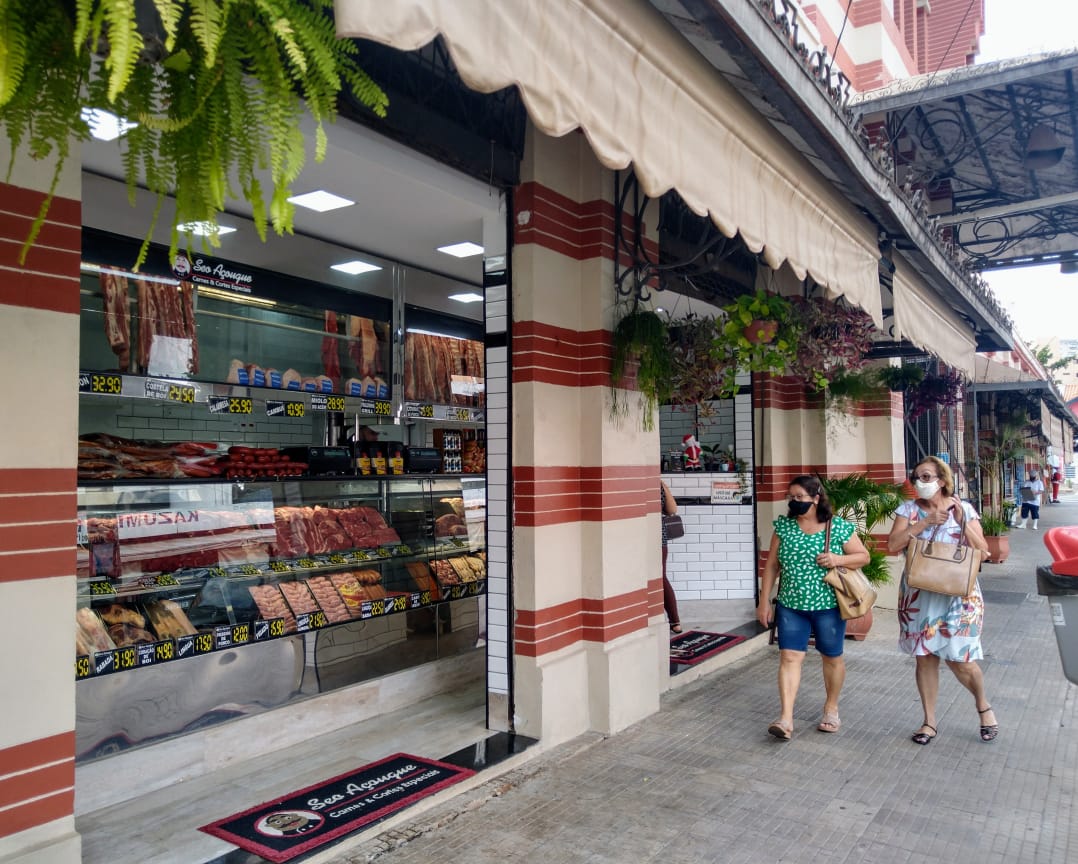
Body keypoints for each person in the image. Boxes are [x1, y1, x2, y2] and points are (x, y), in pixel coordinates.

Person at [888, 456, 998, 745]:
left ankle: (983, 706)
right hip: (920, 594)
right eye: (916, 477)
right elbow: (892, 545)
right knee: (925, 658)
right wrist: (924, 523)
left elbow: (984, 551)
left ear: (942, 479)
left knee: (961, 659)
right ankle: (929, 722)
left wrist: (962, 522)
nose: (919, 482)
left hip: (959, 595)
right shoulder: (909, 510)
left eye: (926, 476)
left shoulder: (964, 509)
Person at [755, 475, 869, 740]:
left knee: (832, 657)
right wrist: (764, 601)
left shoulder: (837, 527)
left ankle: (831, 708)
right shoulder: (784, 527)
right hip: (791, 606)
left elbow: (863, 556)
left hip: (828, 606)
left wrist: (837, 558)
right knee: (789, 657)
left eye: (799, 497)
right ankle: (785, 718)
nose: (793, 502)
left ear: (816, 498)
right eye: (790, 497)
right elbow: (772, 565)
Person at [661, 479, 682, 634]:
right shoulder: (657, 484)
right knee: (661, 578)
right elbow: (672, 509)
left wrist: (663, 485)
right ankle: (675, 621)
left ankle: (674, 619)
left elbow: (672, 509)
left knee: (660, 579)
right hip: (660, 541)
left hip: (655, 540)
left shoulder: (656, 484)